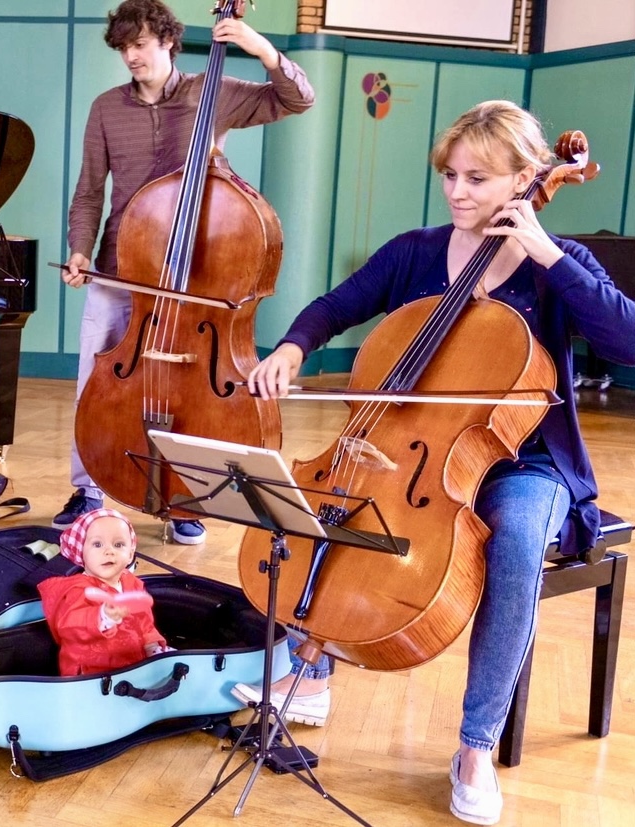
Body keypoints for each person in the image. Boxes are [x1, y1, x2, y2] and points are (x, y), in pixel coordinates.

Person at [246, 100, 635, 825]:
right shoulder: (416, 251)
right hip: (411, 454)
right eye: (449, 175)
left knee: (516, 544)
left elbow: (627, 343)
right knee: (335, 502)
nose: (456, 192)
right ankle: (311, 668)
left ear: (524, 178)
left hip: (524, 459)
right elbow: (336, 305)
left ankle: (474, 746)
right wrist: (293, 346)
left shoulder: (557, 265)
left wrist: (547, 254)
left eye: (476, 179)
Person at [56, 0, 315, 545]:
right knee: (95, 385)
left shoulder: (212, 93)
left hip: (197, 279)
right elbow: (89, 192)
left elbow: (296, 98)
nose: (132, 56)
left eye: (141, 44)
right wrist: (80, 250)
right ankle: (88, 490)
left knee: (190, 394)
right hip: (122, 271)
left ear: (169, 42)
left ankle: (187, 495)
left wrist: (261, 49)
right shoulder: (106, 108)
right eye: (124, 48)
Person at [39, 508, 169, 676]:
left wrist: (152, 646)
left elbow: (144, 622)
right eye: (97, 544)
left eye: (118, 545)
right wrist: (102, 616)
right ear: (81, 551)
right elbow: (70, 625)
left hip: (131, 663)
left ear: (130, 554)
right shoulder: (77, 589)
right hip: (91, 672)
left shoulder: (132, 583)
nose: (109, 551)